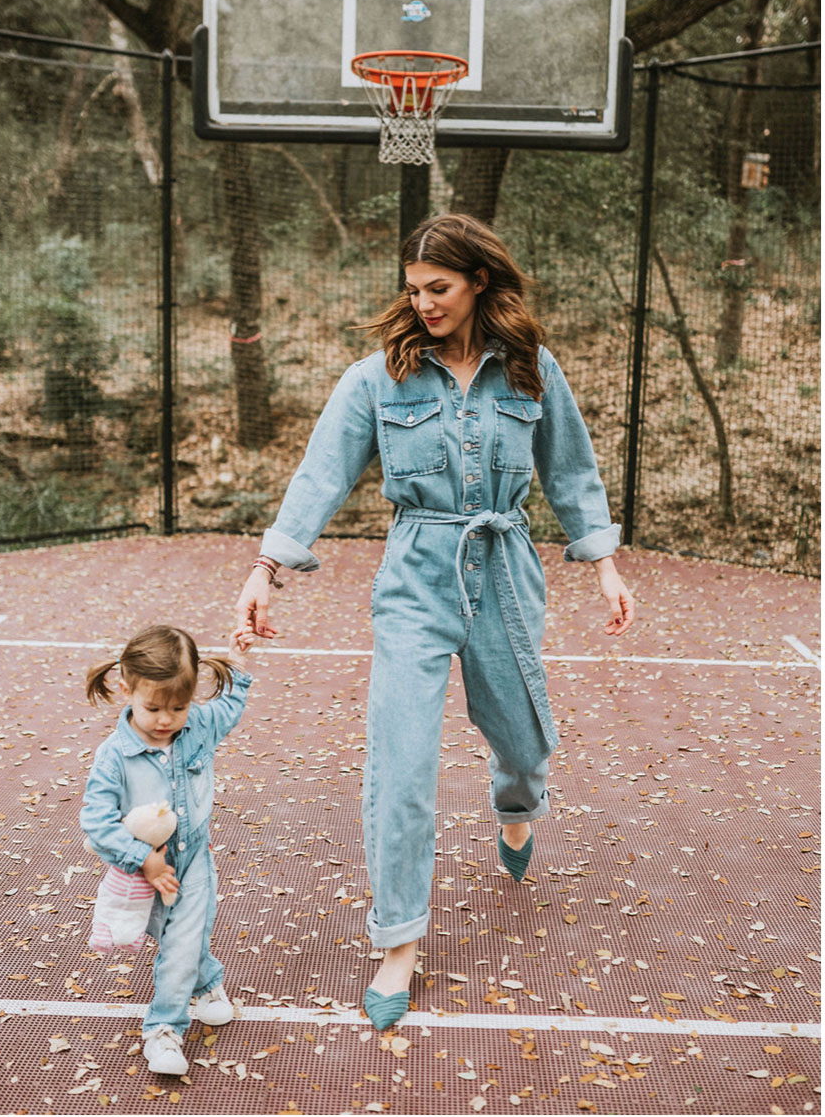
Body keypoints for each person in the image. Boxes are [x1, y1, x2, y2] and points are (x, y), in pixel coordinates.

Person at [233, 213, 634, 1031]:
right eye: (413, 290)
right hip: (416, 574)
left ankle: (518, 804)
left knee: (522, 741)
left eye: (439, 288)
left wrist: (605, 565)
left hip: (508, 573)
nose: (423, 305)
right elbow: (319, 477)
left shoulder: (531, 371)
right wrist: (266, 568)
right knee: (402, 765)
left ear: (479, 281)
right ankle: (399, 942)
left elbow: (571, 474)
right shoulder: (376, 378)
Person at [80, 625, 251, 1075]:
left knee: (181, 941)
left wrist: (237, 657)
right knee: (174, 937)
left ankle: (164, 1029)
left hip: (192, 861)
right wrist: (143, 858)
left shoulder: (199, 726)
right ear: (126, 688)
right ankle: (207, 981)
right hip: (139, 870)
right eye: (152, 707)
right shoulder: (114, 755)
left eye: (179, 706)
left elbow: (230, 705)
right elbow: (96, 823)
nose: (165, 719)